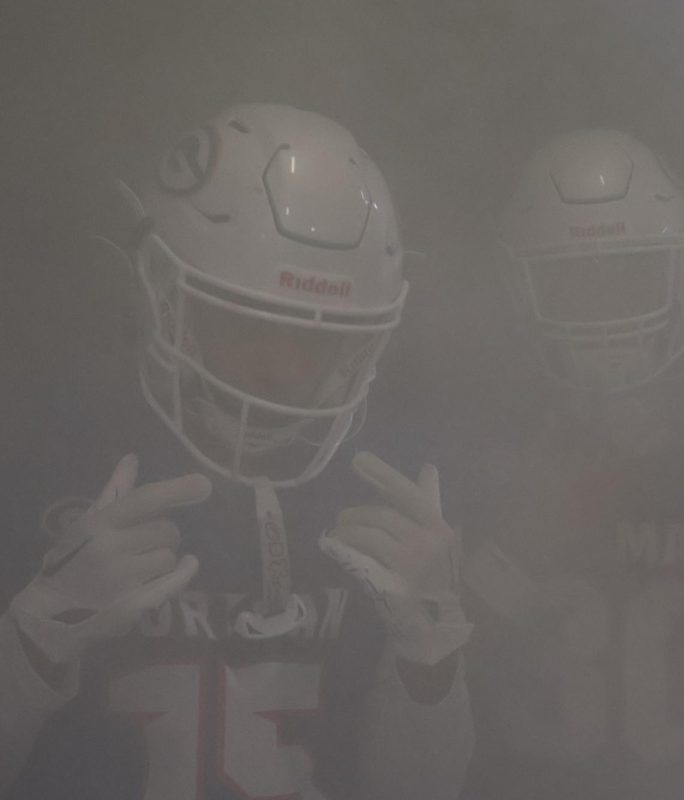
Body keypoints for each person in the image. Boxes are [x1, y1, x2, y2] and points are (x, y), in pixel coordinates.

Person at [0, 103, 473, 800]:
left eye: (315, 341)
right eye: (245, 326)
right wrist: (32, 642)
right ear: (164, 297)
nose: (280, 371)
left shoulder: (389, 493)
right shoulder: (40, 457)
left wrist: (429, 660)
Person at [456, 128, 684, 800]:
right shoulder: (481, 442)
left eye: (628, 275)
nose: (604, 313)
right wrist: (522, 537)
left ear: (683, 271)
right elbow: (426, 670)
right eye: (576, 282)